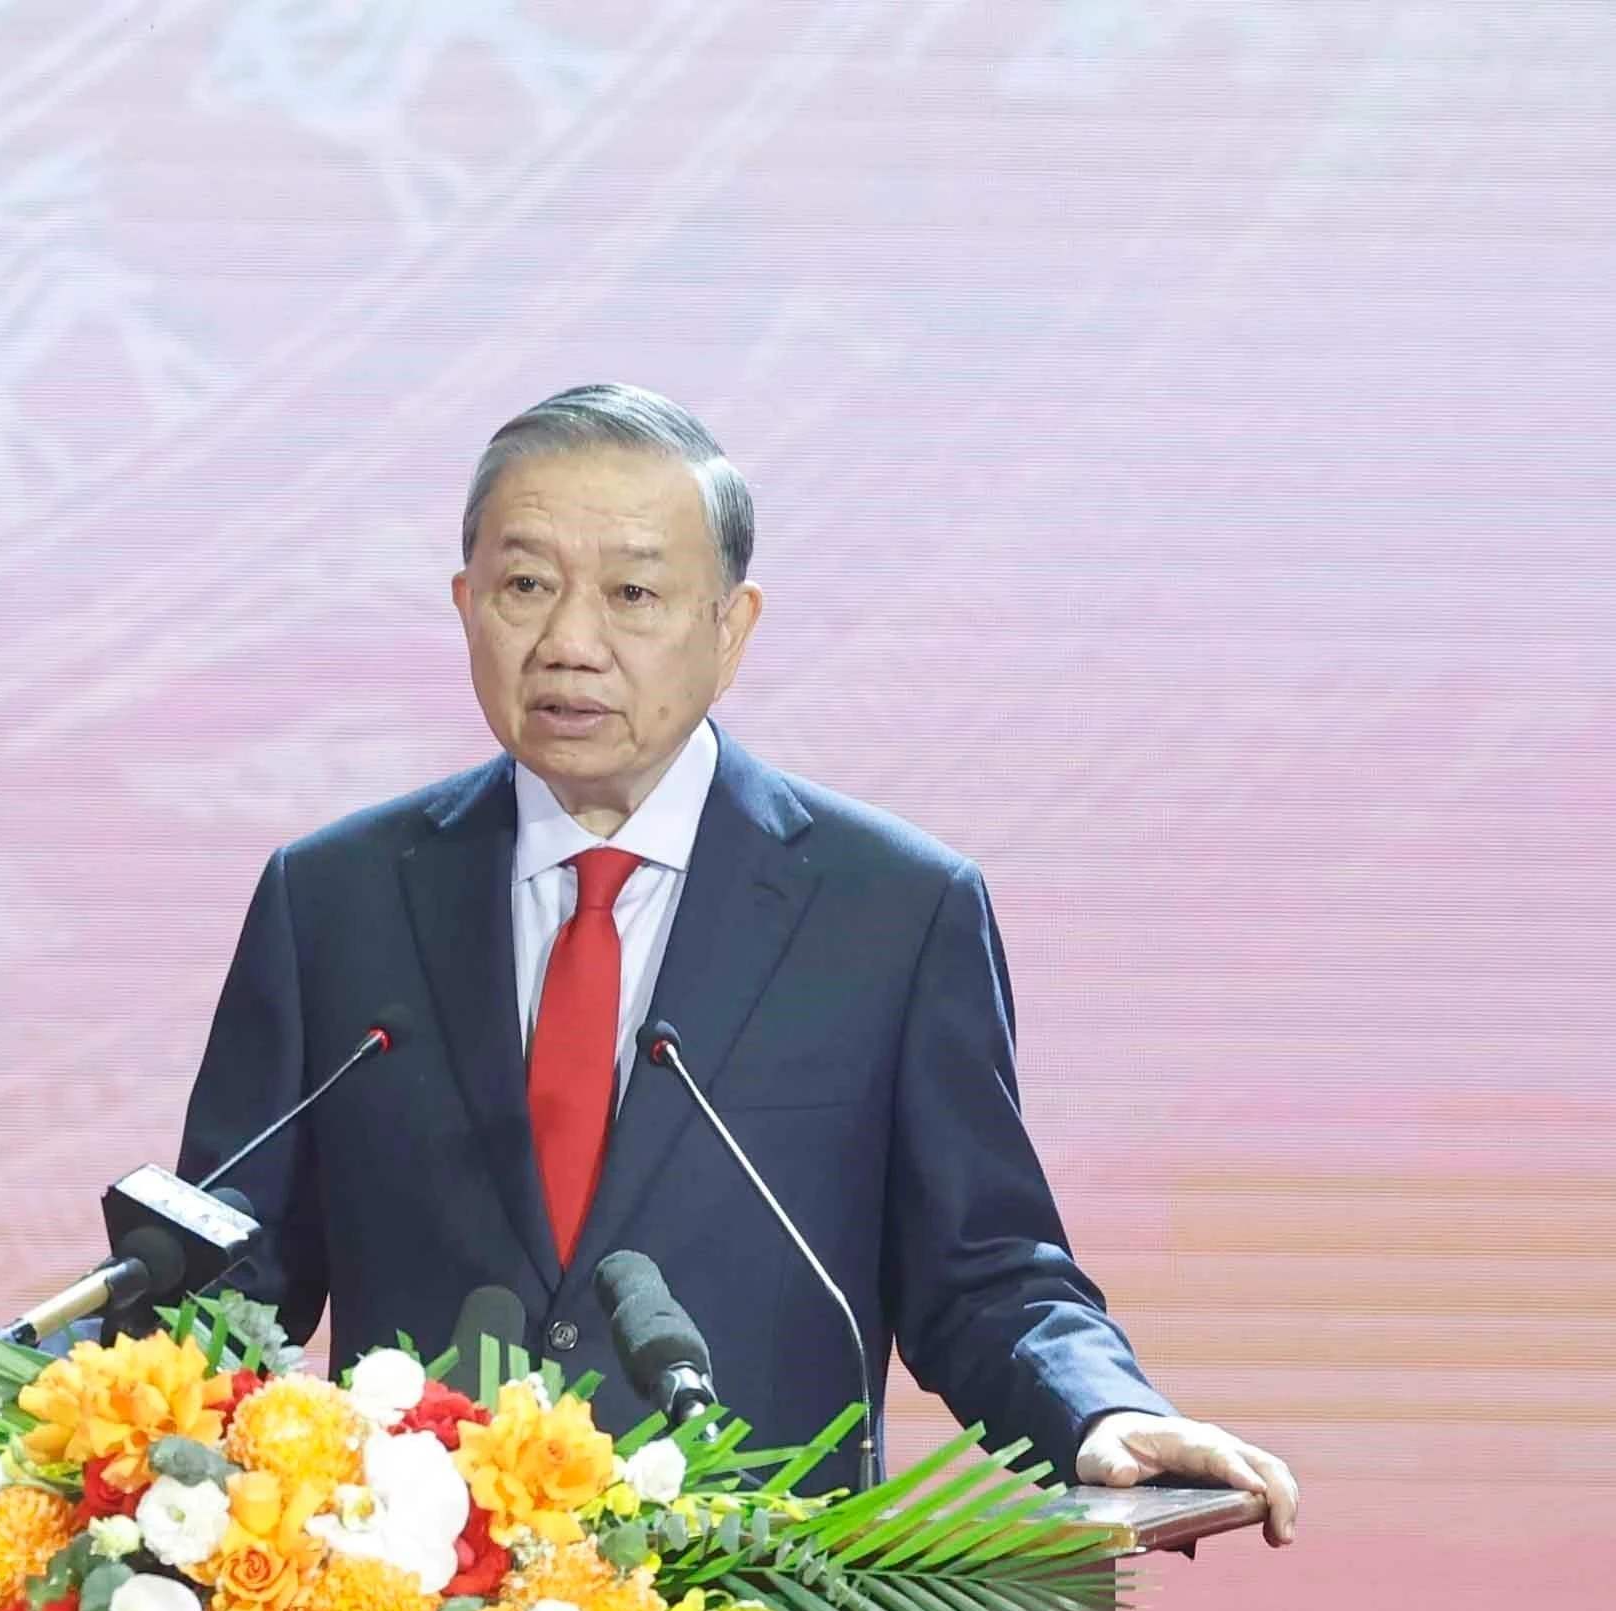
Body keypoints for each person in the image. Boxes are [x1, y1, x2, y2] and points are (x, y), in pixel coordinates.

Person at [176, 383, 1298, 1542]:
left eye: (633, 593)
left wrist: (1094, 1410)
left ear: (732, 626)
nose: (569, 641)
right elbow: (221, 1283)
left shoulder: (893, 912)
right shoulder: (334, 898)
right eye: (525, 586)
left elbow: (986, 1273)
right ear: (465, 606)